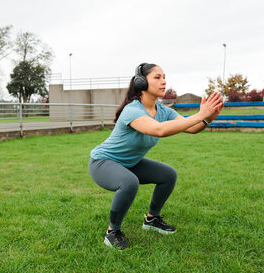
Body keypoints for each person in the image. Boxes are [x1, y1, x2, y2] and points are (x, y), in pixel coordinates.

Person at [88, 63, 224, 250]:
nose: (164, 82)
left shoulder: (163, 111)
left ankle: (152, 219)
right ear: (142, 82)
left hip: (130, 163)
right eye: (157, 77)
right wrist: (200, 114)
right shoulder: (132, 110)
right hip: (103, 163)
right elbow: (158, 130)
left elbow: (191, 128)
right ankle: (113, 232)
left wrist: (208, 118)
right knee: (129, 182)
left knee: (168, 175)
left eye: (164, 77)